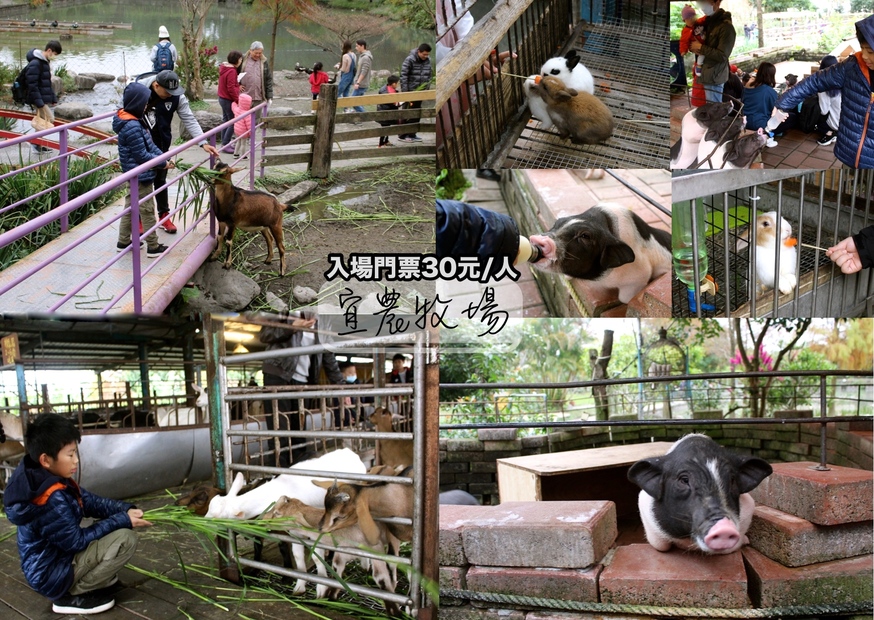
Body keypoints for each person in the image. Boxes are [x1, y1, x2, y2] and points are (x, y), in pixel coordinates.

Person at [3, 414, 150, 615]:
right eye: (70, 454)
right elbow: (76, 542)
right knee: (125, 538)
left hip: (53, 562)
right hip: (50, 574)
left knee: (116, 525)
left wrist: (124, 509)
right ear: (46, 459)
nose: (76, 460)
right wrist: (123, 520)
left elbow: (90, 501)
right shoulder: (50, 497)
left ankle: (88, 579)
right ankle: (73, 594)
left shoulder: (43, 477)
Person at [771, 14, 874, 168]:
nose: (864, 56)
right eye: (862, 49)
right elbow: (816, 81)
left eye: (870, 51)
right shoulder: (853, 67)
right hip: (849, 152)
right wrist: (783, 103)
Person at [137, 70, 221, 234]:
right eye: (167, 92)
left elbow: (189, 118)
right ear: (156, 85)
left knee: (161, 179)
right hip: (141, 145)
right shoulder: (139, 91)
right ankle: (139, 220)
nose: (170, 95)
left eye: (173, 92)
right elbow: (121, 113)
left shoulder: (176, 96)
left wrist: (202, 142)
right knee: (142, 183)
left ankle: (164, 215)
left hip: (162, 143)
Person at [259, 314, 344, 467]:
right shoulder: (285, 309)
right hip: (278, 374)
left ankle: (298, 476)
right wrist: (292, 327)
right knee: (280, 432)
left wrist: (341, 387)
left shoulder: (322, 322)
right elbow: (265, 334)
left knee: (299, 434)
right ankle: (278, 478)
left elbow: (328, 356)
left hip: (304, 381)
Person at [114, 82, 174, 258]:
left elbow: (150, 146)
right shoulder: (132, 126)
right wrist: (161, 164)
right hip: (141, 175)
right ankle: (153, 247)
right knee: (147, 209)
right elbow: (141, 155)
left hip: (136, 174)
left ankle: (123, 241)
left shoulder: (135, 121)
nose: (147, 106)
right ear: (137, 103)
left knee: (130, 208)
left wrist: (163, 158)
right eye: (145, 103)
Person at [688, 0, 735, 104]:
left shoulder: (726, 27)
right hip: (707, 72)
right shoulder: (707, 22)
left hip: (714, 74)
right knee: (711, 106)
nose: (702, 7)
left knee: (714, 108)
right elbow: (698, 39)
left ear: (717, 2)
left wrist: (701, 47)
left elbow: (722, 55)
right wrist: (693, 47)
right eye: (700, 3)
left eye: (705, 3)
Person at [25, 40, 62, 140]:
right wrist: (39, 102)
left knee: (42, 119)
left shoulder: (44, 62)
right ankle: (34, 142)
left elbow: (46, 83)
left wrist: (53, 98)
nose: (54, 57)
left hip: (40, 97)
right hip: (37, 98)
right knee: (49, 119)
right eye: (54, 54)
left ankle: (37, 143)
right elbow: (32, 85)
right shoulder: (36, 63)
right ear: (49, 50)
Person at [398, 43, 432, 143]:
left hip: (420, 92)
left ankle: (412, 134)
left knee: (417, 113)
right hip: (410, 91)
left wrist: (426, 88)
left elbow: (429, 75)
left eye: (427, 55)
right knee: (407, 113)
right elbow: (403, 76)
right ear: (418, 52)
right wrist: (406, 93)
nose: (426, 56)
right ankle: (403, 135)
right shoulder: (409, 60)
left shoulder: (428, 61)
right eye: (424, 54)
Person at [742, 62, 778, 146]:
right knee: (791, 118)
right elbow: (774, 108)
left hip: (744, 121)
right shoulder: (769, 91)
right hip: (759, 124)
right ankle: (768, 136)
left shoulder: (747, 87)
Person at [679, 5, 706, 107]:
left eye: (692, 17)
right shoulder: (686, 31)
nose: (691, 20)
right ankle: (698, 67)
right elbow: (683, 41)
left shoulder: (700, 23)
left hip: (704, 47)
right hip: (700, 52)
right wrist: (683, 50)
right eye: (688, 19)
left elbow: (705, 18)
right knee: (700, 58)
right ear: (684, 20)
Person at [240, 41, 273, 123]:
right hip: (245, 95)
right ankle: (245, 135)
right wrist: (237, 85)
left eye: (260, 53)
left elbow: (268, 79)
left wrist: (269, 96)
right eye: (256, 53)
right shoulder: (242, 59)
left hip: (258, 96)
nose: (258, 55)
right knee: (243, 120)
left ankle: (252, 135)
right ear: (250, 50)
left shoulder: (264, 61)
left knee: (256, 120)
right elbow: (234, 74)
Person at [218, 50, 242, 154]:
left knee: (226, 121)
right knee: (233, 121)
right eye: (240, 59)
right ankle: (225, 143)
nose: (241, 61)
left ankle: (224, 143)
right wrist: (237, 100)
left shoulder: (224, 68)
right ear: (236, 60)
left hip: (222, 98)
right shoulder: (232, 71)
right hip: (228, 99)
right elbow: (231, 88)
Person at [814, 56, 841, 147]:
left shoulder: (824, 86)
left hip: (836, 124)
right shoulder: (843, 80)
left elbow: (823, 110)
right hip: (847, 122)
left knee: (814, 111)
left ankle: (829, 133)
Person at [376, 75, 400, 147]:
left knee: (387, 127)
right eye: (397, 83)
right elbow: (393, 103)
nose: (398, 85)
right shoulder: (389, 92)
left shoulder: (386, 88)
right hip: (385, 113)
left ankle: (386, 141)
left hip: (386, 112)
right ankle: (381, 144)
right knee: (385, 128)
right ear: (393, 84)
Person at [350, 39, 373, 114]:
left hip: (361, 84)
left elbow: (364, 71)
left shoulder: (366, 57)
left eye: (357, 46)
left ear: (362, 46)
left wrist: (358, 82)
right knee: (359, 102)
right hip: (360, 83)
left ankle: (364, 116)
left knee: (353, 101)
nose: (356, 48)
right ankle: (361, 117)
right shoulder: (362, 56)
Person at [335, 41, 357, 111]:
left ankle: (333, 107)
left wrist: (337, 67)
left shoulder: (345, 56)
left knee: (338, 92)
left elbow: (344, 69)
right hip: (352, 76)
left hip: (346, 76)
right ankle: (346, 109)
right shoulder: (354, 55)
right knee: (346, 93)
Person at [232, 88, 253, 158]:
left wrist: (235, 102)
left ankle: (235, 153)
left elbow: (233, 106)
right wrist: (251, 133)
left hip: (237, 130)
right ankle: (243, 155)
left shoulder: (237, 109)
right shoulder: (247, 114)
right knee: (243, 143)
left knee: (238, 141)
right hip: (243, 132)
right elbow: (249, 125)